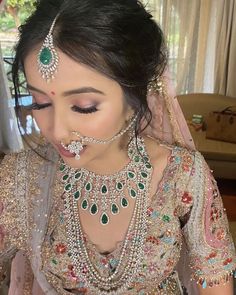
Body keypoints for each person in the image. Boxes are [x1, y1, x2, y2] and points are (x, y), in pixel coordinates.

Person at [0, 0, 235, 294]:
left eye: (84, 107)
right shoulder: (20, 177)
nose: (57, 130)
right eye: (40, 103)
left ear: (134, 98)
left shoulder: (181, 175)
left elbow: (214, 278)